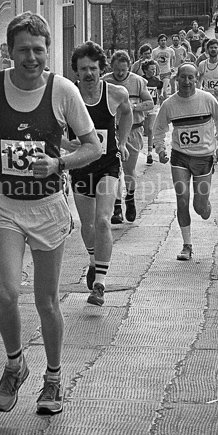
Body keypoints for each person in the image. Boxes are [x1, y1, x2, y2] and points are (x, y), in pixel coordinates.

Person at [0, 12, 102, 417]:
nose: (31, 58)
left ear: (47, 51)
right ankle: (14, 364)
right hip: (5, 204)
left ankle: (54, 379)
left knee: (46, 301)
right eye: (23, 50)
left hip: (47, 209)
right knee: (5, 292)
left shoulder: (64, 91)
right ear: (9, 52)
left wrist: (59, 164)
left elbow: (92, 147)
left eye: (38, 50)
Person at [64, 42, 133, 307]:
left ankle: (100, 285)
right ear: (76, 72)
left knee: (103, 221)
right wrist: (65, 144)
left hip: (108, 164)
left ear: (101, 68)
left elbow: (126, 114)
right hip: (81, 165)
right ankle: (94, 259)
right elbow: (53, 128)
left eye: (93, 68)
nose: (89, 74)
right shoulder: (69, 97)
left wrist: (123, 142)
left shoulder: (115, 93)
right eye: (83, 69)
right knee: (88, 225)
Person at [153, 63, 218, 260]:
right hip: (180, 156)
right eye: (183, 77)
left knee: (200, 208)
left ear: (196, 79)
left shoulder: (207, 100)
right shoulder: (169, 104)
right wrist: (160, 150)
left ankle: (205, 205)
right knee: (182, 198)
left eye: (190, 78)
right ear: (176, 79)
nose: (186, 82)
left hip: (203, 157)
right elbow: (158, 130)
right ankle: (187, 245)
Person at [103, 50, 154, 224]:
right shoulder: (105, 82)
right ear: (111, 67)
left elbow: (150, 103)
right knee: (114, 169)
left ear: (129, 67)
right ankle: (116, 207)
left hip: (133, 130)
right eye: (117, 70)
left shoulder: (138, 82)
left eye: (123, 70)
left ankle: (130, 199)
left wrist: (134, 107)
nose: (120, 73)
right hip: (112, 131)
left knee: (128, 169)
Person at [140, 59, 163, 160]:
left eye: (155, 69)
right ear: (145, 70)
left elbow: (159, 89)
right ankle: (138, 146)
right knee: (142, 129)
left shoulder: (156, 81)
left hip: (153, 107)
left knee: (150, 128)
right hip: (143, 107)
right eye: (151, 69)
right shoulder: (141, 80)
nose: (154, 71)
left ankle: (149, 153)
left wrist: (160, 96)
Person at [151, 34, 176, 98]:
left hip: (167, 73)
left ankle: (167, 105)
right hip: (158, 74)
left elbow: (173, 58)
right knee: (159, 93)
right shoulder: (154, 51)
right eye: (162, 40)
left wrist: (172, 66)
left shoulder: (170, 50)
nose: (163, 42)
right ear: (158, 42)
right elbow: (152, 61)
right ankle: (162, 106)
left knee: (164, 91)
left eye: (164, 40)